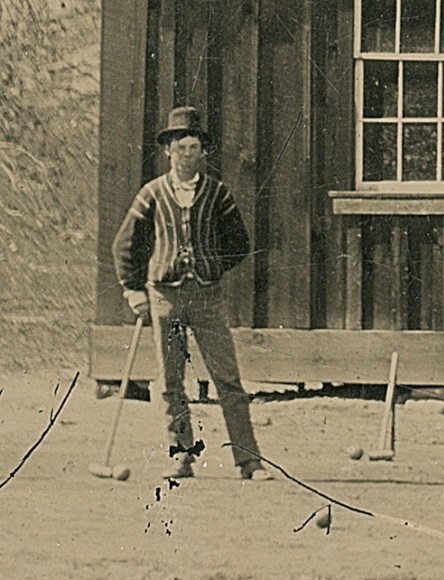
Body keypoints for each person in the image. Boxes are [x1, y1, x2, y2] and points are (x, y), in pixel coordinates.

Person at [112, 106, 272, 481]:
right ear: (168, 150)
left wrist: (211, 266)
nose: (187, 154)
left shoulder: (218, 194)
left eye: (194, 147)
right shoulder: (151, 193)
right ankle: (181, 457)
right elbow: (124, 246)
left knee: (228, 380)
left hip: (207, 297)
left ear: (204, 152)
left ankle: (249, 461)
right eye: (180, 147)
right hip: (164, 297)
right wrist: (133, 291)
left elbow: (239, 244)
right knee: (170, 382)